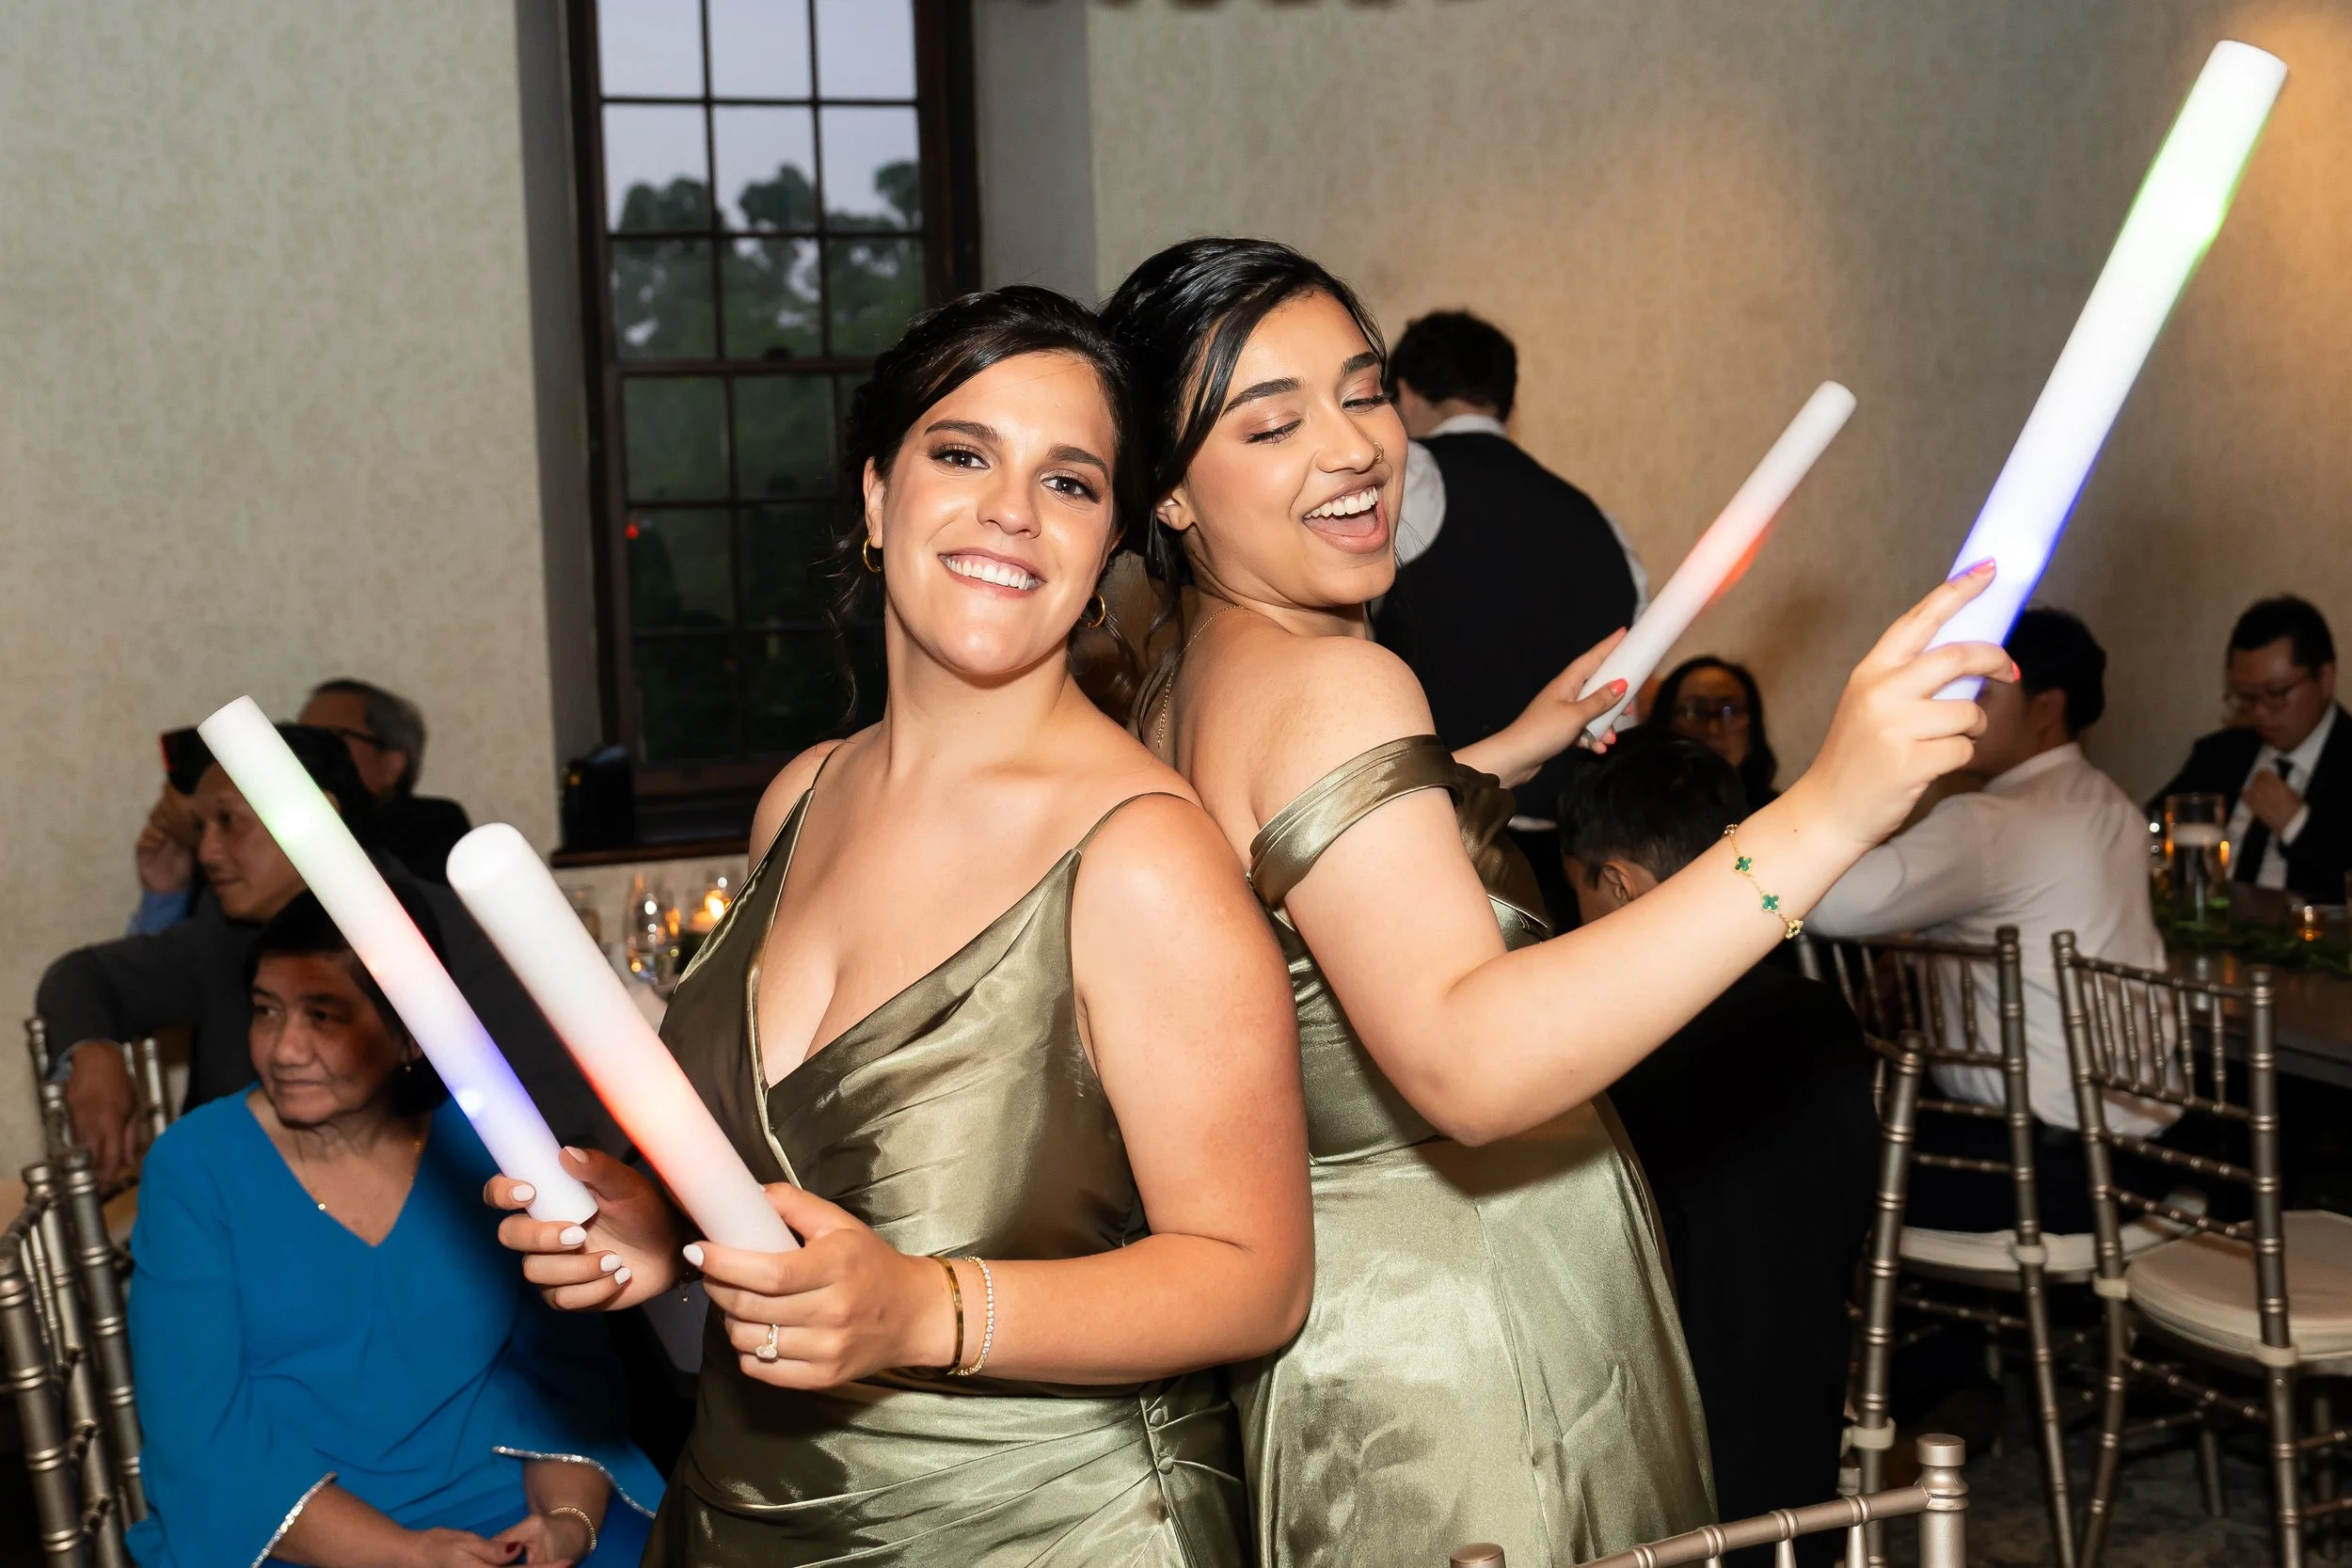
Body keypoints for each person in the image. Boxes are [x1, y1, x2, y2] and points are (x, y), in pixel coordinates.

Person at [1102, 236, 2010, 1567]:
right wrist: (1827, 811)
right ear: (1170, 492)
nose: (1354, 449)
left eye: (1364, 395)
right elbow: (1471, 1058)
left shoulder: (1184, 673)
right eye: (1272, 421)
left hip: (1340, 1326)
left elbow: (1297, 870)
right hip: (1466, 1331)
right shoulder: (1333, 685)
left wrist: (1502, 753)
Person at [490, 287, 1311, 1566]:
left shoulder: (1143, 858)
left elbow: (1256, 1273)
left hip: (1039, 1530)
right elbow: (777, 1186)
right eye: (963, 453)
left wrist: (925, 1308)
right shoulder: (801, 797)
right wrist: (661, 1225)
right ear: (877, 498)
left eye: (1073, 481)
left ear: (1107, 546)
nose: (1011, 511)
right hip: (741, 1512)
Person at [126, 889, 661, 1567]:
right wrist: (403, 1554)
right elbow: (198, 1434)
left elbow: (567, 1378)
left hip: (504, 1502)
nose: (284, 1048)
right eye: (266, 1011)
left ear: (411, 1033)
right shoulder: (196, 1167)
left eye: (323, 1015)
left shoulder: (491, 1145)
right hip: (281, 1528)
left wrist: (563, 1522)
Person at [1559, 729, 1877, 1567]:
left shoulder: (1618, 1036)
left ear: (1619, 883)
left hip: (1666, 1449)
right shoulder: (1822, 1014)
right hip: (1802, 1416)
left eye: (1580, 897)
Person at [37, 724, 619, 1180]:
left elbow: (565, 1113)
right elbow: (82, 975)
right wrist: (92, 1054)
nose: (208, 851)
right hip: (240, 1219)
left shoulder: (434, 930)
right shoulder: (227, 928)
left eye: (228, 823)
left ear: (316, 816)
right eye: (200, 828)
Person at [1808, 608, 2171, 1235]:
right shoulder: (2117, 807)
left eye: (1981, 692)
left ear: (2045, 707)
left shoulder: (1987, 822)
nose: (1961, 710)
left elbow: (1825, 905)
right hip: (2144, 1158)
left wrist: (1846, 788)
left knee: (1803, 1158)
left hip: (2032, 1173)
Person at [1373, 308, 1646, 926]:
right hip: (1575, 867)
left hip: (1440, 836)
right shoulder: (1600, 523)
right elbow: (1623, 700)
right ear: (1505, 399)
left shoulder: (1404, 477)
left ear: (1405, 393)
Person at [2153, 594, 2351, 901]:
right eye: (2246, 697)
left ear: (2325, 677)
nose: (2259, 712)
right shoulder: (2221, 755)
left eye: (2275, 693)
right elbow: (2150, 827)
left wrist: (2298, 826)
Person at [303, 677, 476, 883]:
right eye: (301, 736)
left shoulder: (432, 825)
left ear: (391, 765)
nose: (306, 751)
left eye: (329, 737)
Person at [1653, 656, 1781, 809]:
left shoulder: (1778, 814)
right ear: (1666, 723)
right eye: (1695, 711)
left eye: (1730, 710)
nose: (1713, 729)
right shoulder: (1642, 810)